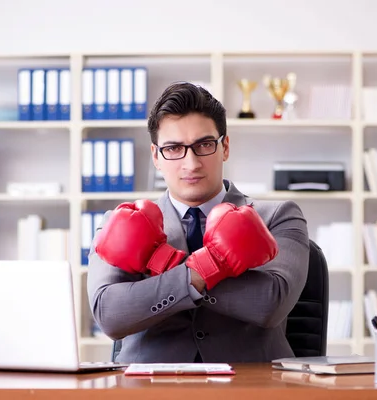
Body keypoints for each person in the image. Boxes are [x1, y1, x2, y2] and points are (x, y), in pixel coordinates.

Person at [87, 82, 310, 363]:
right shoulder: (118, 222)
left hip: (250, 385)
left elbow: (270, 305)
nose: (190, 163)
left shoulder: (278, 216)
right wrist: (203, 271)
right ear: (156, 156)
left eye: (204, 145)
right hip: (149, 388)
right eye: (174, 148)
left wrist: (163, 262)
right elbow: (110, 315)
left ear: (224, 147)